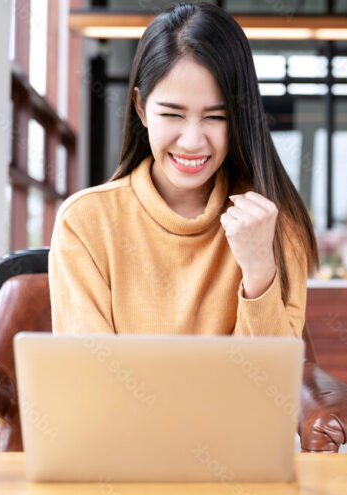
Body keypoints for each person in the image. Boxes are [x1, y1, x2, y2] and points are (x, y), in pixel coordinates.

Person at [49, 3, 318, 336]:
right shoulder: (86, 221)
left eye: (216, 117)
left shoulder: (273, 225)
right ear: (141, 108)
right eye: (173, 115)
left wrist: (259, 270)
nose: (192, 142)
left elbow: (270, 382)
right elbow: (89, 374)